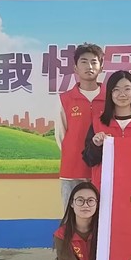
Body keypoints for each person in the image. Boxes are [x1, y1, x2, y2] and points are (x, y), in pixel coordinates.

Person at [82, 71, 131, 189]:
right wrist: (96, 145)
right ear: (110, 93)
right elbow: (89, 161)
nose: (122, 94)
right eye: (116, 90)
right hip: (105, 188)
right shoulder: (98, 122)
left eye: (127, 89)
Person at [55, 43, 105, 208]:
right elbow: (61, 135)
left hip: (102, 169)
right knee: (71, 215)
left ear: (101, 67)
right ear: (75, 68)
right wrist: (73, 152)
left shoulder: (111, 98)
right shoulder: (65, 99)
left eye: (94, 62)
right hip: (73, 169)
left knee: (103, 216)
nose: (89, 66)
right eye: (84, 62)